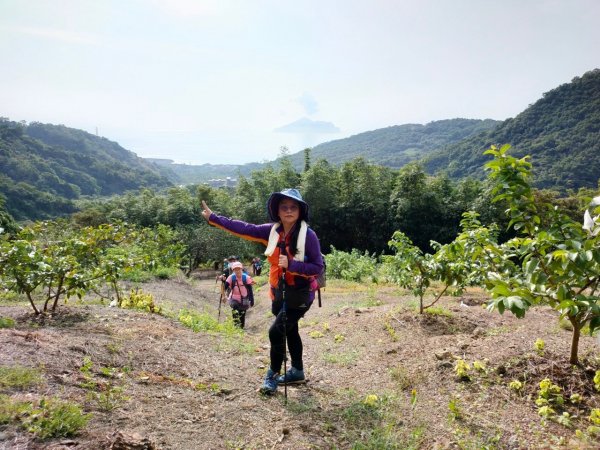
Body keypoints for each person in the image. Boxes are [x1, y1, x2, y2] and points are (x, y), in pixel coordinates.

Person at [201, 188, 324, 395]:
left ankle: (272, 376)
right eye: (284, 207)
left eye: (293, 207)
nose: (288, 211)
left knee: (276, 331)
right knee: (290, 330)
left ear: (300, 211)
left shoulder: (308, 236)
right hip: (279, 292)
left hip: (300, 294)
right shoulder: (272, 232)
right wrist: (214, 218)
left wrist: (292, 265)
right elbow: (244, 228)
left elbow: (317, 267)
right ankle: (297, 371)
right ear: (277, 211)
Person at [224, 261, 254, 329]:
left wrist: (252, 300)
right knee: (235, 309)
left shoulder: (246, 278)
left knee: (242, 314)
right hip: (234, 298)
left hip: (244, 298)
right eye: (235, 269)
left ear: (241, 269)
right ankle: (236, 327)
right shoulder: (231, 277)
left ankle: (241, 327)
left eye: (239, 269)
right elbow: (225, 287)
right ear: (233, 270)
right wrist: (223, 295)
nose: (237, 271)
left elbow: (250, 290)